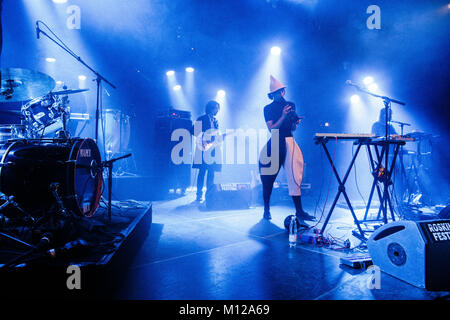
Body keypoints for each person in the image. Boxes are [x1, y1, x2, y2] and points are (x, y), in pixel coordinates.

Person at [258, 75, 315, 223]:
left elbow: (293, 127)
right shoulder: (268, 108)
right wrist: (283, 115)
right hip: (276, 141)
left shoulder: (291, 105)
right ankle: (266, 209)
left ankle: (300, 211)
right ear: (272, 94)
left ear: (283, 91)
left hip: (289, 141)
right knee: (268, 177)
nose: (279, 94)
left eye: (281, 91)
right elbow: (272, 128)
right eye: (276, 92)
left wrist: (295, 122)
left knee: (295, 176)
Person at [192, 100, 222, 202]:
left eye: (218, 108)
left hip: (213, 150)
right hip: (203, 148)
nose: (217, 110)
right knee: (202, 171)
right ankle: (198, 194)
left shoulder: (215, 121)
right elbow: (193, 131)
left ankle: (209, 194)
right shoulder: (201, 118)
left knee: (211, 172)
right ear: (210, 108)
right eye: (216, 108)